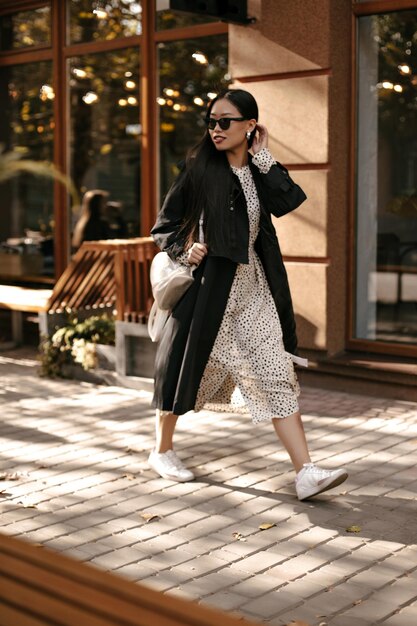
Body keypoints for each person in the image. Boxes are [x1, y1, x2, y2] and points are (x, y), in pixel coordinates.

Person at [149, 88, 348, 501]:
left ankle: (305, 473)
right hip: (207, 291)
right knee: (185, 371)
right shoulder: (199, 169)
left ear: (250, 126)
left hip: (253, 290)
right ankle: (162, 450)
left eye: (226, 121)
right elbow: (164, 225)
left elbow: (289, 200)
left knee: (276, 371)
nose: (216, 129)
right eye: (212, 121)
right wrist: (185, 249)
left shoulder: (259, 169)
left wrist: (265, 158)